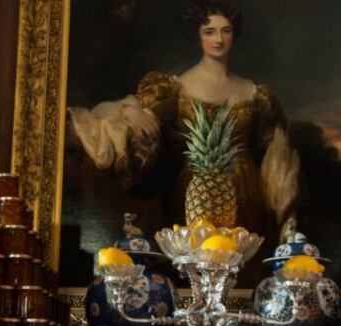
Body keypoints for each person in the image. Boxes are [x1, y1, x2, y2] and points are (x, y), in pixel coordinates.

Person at [68, 0, 300, 244]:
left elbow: (278, 154)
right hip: (193, 192)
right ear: (197, 36)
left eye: (225, 30)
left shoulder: (256, 93)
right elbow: (100, 112)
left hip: (247, 194)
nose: (218, 39)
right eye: (209, 31)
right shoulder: (173, 88)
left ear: (235, 34)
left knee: (241, 259)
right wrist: (129, 110)